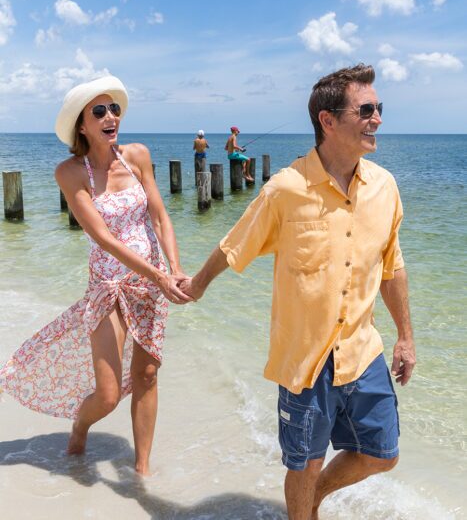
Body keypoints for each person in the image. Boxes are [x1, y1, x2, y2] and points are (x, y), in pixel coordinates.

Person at [182, 64, 416, 519]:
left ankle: (316, 498)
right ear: (328, 121)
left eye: (379, 108)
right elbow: (235, 244)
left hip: (363, 352)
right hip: (305, 358)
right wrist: (196, 285)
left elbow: (393, 269)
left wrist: (405, 336)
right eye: (366, 109)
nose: (378, 119)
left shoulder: (385, 187)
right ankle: (304, 507)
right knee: (304, 465)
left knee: (383, 453)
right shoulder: (286, 188)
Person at [0, 76, 192, 475]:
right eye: (99, 111)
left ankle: (142, 470)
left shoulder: (137, 155)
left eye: (114, 109)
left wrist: (175, 268)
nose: (111, 117)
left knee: (148, 375)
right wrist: (161, 276)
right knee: (107, 394)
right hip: (108, 287)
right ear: (82, 125)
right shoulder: (70, 172)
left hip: (151, 283)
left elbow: (158, 214)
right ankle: (80, 424)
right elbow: (102, 237)